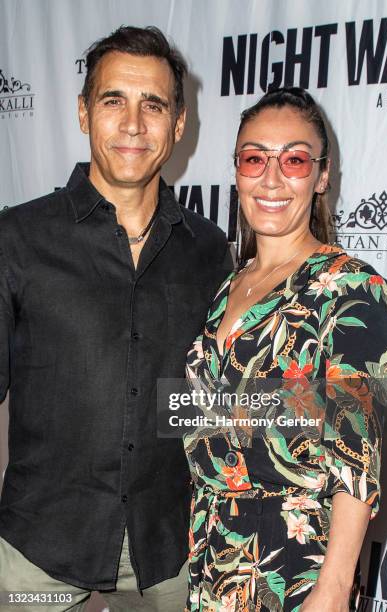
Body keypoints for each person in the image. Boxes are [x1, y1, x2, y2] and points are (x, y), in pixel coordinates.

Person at [0, 26, 232, 611]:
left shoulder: (210, 249)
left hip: (168, 550)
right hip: (39, 550)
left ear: (179, 124)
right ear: (83, 112)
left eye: (153, 105)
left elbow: (223, 402)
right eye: (113, 101)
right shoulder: (17, 239)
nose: (133, 124)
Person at [183, 88, 387, 611]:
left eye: (295, 159)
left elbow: (355, 456)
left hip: (293, 569)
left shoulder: (351, 290)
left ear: (322, 176)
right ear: (237, 169)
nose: (271, 178)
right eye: (255, 158)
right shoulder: (226, 288)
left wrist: (333, 587)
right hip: (210, 561)